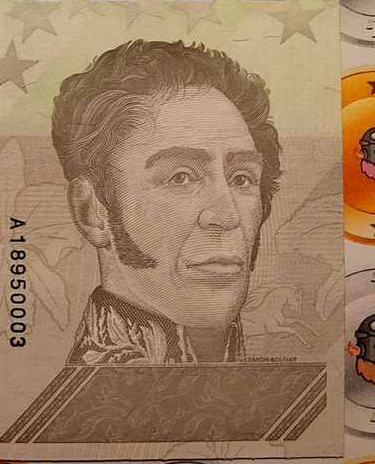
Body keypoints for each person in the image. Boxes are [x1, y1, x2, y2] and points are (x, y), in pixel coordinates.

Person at [48, 38, 281, 365]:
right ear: (92, 213)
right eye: (180, 177)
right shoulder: (85, 396)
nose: (227, 216)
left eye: (241, 178)